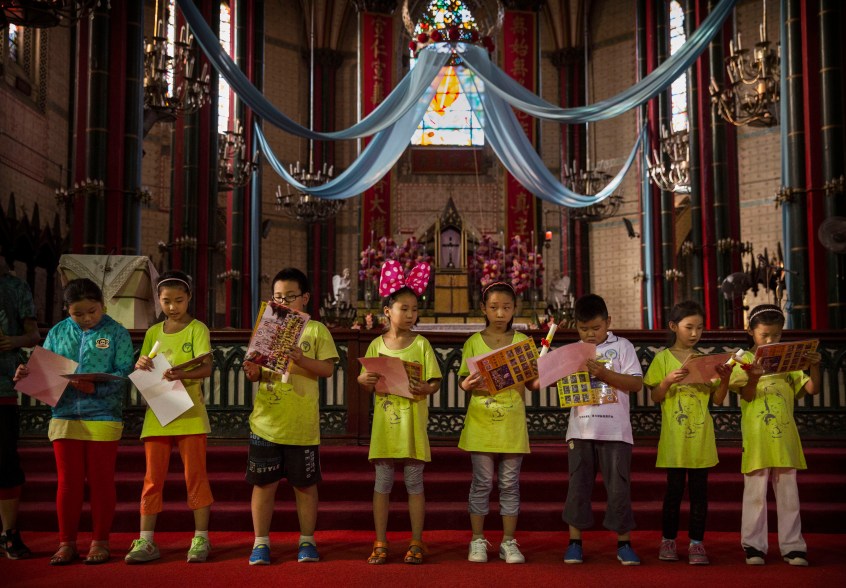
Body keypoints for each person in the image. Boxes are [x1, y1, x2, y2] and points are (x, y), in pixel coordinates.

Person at [14, 278, 133, 565]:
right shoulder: (57, 332)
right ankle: (66, 543)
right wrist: (27, 375)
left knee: (101, 482)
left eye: (92, 311)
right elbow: (46, 372)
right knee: (68, 483)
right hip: (65, 414)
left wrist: (97, 388)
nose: (86, 318)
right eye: (77, 313)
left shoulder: (116, 333)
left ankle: (100, 541)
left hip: (103, 414)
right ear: (67, 310)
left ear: (102, 305)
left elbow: (126, 371)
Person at [242, 268, 339, 565]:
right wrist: (253, 371)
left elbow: (327, 370)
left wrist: (300, 358)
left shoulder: (317, 330)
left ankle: (307, 541)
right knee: (264, 484)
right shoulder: (266, 327)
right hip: (266, 419)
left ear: (305, 298)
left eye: (290, 297)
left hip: (301, 423)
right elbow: (256, 369)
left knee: (305, 485)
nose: (283, 302)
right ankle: (260, 543)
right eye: (278, 297)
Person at [124, 271, 214, 564]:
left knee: (195, 477)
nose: (173, 307)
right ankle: (146, 541)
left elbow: (207, 367)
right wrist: (141, 362)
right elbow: (144, 367)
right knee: (152, 479)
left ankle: (201, 537)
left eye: (179, 300)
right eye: (166, 301)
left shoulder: (197, 328)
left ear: (189, 298)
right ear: (158, 301)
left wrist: (182, 373)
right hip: (158, 413)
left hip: (189, 412)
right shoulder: (153, 332)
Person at [357, 260, 441, 565]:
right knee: (383, 483)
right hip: (385, 427)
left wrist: (426, 390)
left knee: (414, 482)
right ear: (387, 311)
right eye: (403, 308)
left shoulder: (421, 344)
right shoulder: (377, 344)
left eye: (414, 309)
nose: (410, 314)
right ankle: (380, 541)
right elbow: (365, 379)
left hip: (413, 425)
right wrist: (362, 379)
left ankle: (416, 541)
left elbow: (434, 382)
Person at [729, 304, 821, 567]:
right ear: (751, 332)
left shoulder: (788, 361)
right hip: (757, 438)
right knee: (755, 494)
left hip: (785, 438)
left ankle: (793, 547)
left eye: (776, 336)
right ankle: (753, 546)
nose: (771, 341)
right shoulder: (743, 360)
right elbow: (746, 395)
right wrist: (755, 378)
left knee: (789, 493)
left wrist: (815, 366)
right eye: (764, 336)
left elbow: (812, 389)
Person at [643, 301, 731, 565]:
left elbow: (717, 399)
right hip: (674, 439)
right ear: (673, 327)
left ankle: (696, 543)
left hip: (701, 439)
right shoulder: (662, 358)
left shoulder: (706, 362)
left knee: (699, 494)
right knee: (673, 493)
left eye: (699, 328)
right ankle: (668, 540)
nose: (695, 333)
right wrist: (668, 381)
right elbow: (656, 396)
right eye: (689, 327)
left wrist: (724, 379)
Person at [457, 281, 537, 565]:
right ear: (483, 309)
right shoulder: (473, 342)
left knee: (509, 483)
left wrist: (547, 367)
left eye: (506, 307)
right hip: (481, 420)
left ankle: (508, 541)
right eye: (494, 307)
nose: (500, 313)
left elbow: (533, 384)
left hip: (512, 423)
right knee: (481, 483)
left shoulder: (523, 342)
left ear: (515, 309)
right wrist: (466, 384)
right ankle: (477, 540)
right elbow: (463, 381)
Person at [561, 293, 643, 566]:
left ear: (608, 322)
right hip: (581, 430)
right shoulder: (574, 350)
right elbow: (556, 383)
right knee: (578, 487)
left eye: (596, 328)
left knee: (619, 487)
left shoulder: (623, 347)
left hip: (615, 431)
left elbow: (635, 384)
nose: (590, 334)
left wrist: (604, 374)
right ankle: (574, 543)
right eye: (584, 329)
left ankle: (624, 543)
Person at [0, 259, 40, 559]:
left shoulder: (15, 287)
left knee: (6, 462)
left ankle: (9, 534)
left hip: (3, 386)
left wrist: (13, 340)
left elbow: (32, 335)